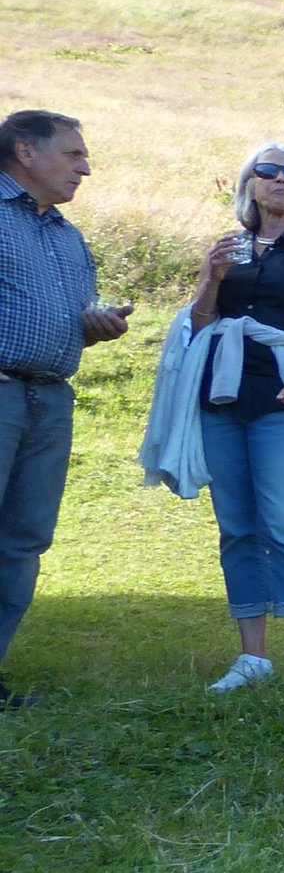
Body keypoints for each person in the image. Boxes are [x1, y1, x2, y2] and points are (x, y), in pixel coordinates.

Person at [172, 145, 284, 691]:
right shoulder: (228, 249)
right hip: (223, 395)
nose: (278, 180)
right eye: (266, 172)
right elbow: (201, 323)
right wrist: (210, 276)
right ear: (249, 187)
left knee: (283, 517)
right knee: (236, 526)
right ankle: (253, 658)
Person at [0, 110, 128, 707]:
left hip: (49, 400)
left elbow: (73, 319)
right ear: (26, 152)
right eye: (73, 153)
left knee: (24, 539)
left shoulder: (67, 236)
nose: (85, 166)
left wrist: (96, 326)